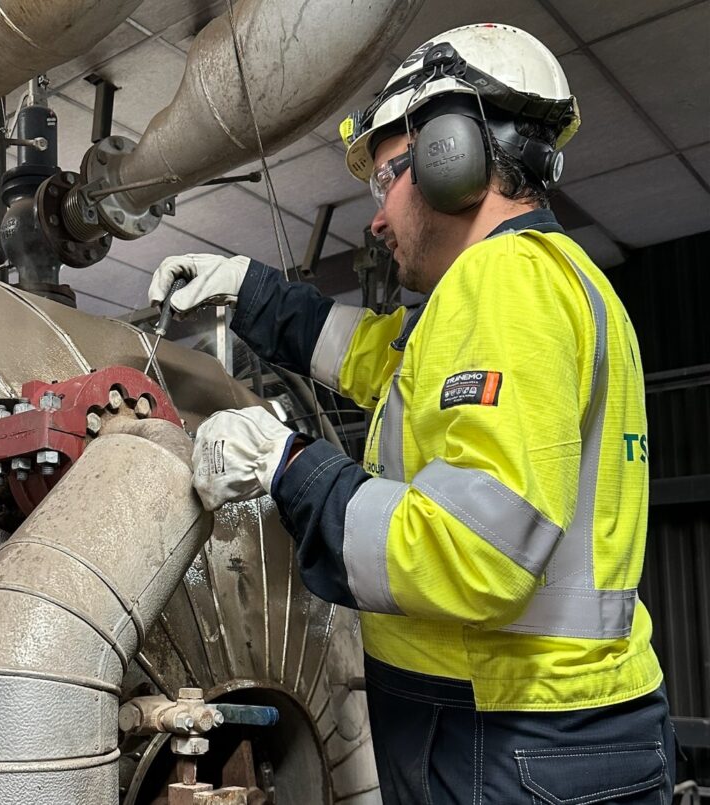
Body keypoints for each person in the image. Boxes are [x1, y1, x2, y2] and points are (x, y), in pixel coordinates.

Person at [148, 23, 675, 804]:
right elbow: (383, 362)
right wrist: (247, 289)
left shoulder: (504, 285)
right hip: (558, 731)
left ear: (450, 156)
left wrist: (290, 467)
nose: (376, 217)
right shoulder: (559, 281)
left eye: (386, 177)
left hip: (504, 737)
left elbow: (472, 551)